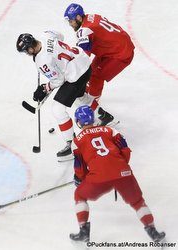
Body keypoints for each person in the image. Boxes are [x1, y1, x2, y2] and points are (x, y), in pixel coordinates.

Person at [70, 105, 166, 243]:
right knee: (138, 202)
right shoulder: (111, 131)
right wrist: (120, 167)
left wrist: (80, 179)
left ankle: (83, 231)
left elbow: (80, 167)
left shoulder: (77, 141)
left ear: (78, 122)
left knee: (79, 195)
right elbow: (125, 150)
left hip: (99, 177)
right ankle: (153, 231)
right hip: (123, 172)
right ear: (93, 118)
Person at [16, 31, 114, 161]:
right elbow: (60, 35)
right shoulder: (45, 35)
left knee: (58, 109)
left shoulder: (42, 61)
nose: (27, 54)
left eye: (27, 51)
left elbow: (58, 81)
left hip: (76, 75)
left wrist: (45, 88)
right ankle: (103, 115)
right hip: (84, 63)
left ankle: (72, 145)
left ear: (30, 48)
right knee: (79, 97)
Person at [64, 3, 135, 102]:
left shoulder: (84, 31)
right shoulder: (91, 17)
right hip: (115, 47)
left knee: (96, 76)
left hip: (121, 53)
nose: (70, 24)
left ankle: (92, 104)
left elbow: (83, 56)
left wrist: (67, 63)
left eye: (71, 21)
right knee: (91, 69)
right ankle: (92, 90)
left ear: (79, 17)